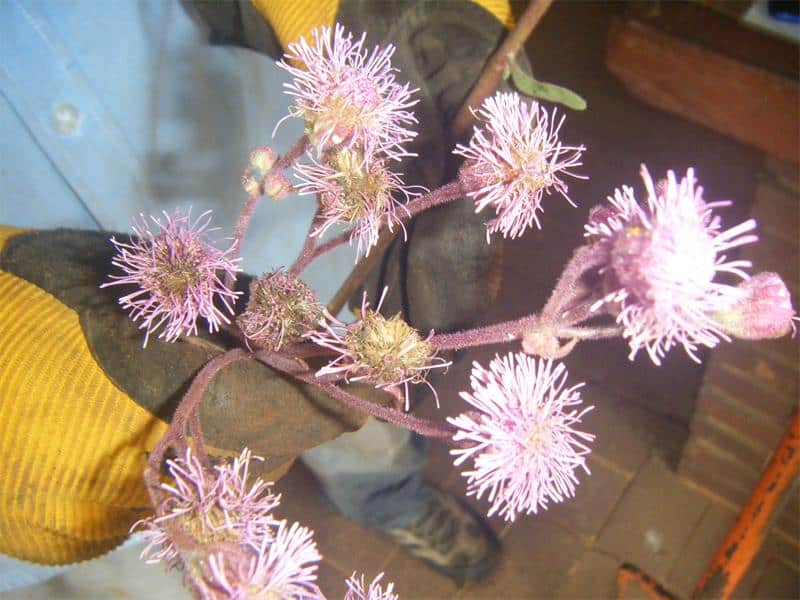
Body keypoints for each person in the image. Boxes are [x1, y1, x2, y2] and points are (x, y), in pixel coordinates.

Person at [0, 0, 515, 592]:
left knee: (362, 404)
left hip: (264, 188)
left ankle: (389, 499)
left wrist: (355, 11)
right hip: (53, 410)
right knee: (139, 546)